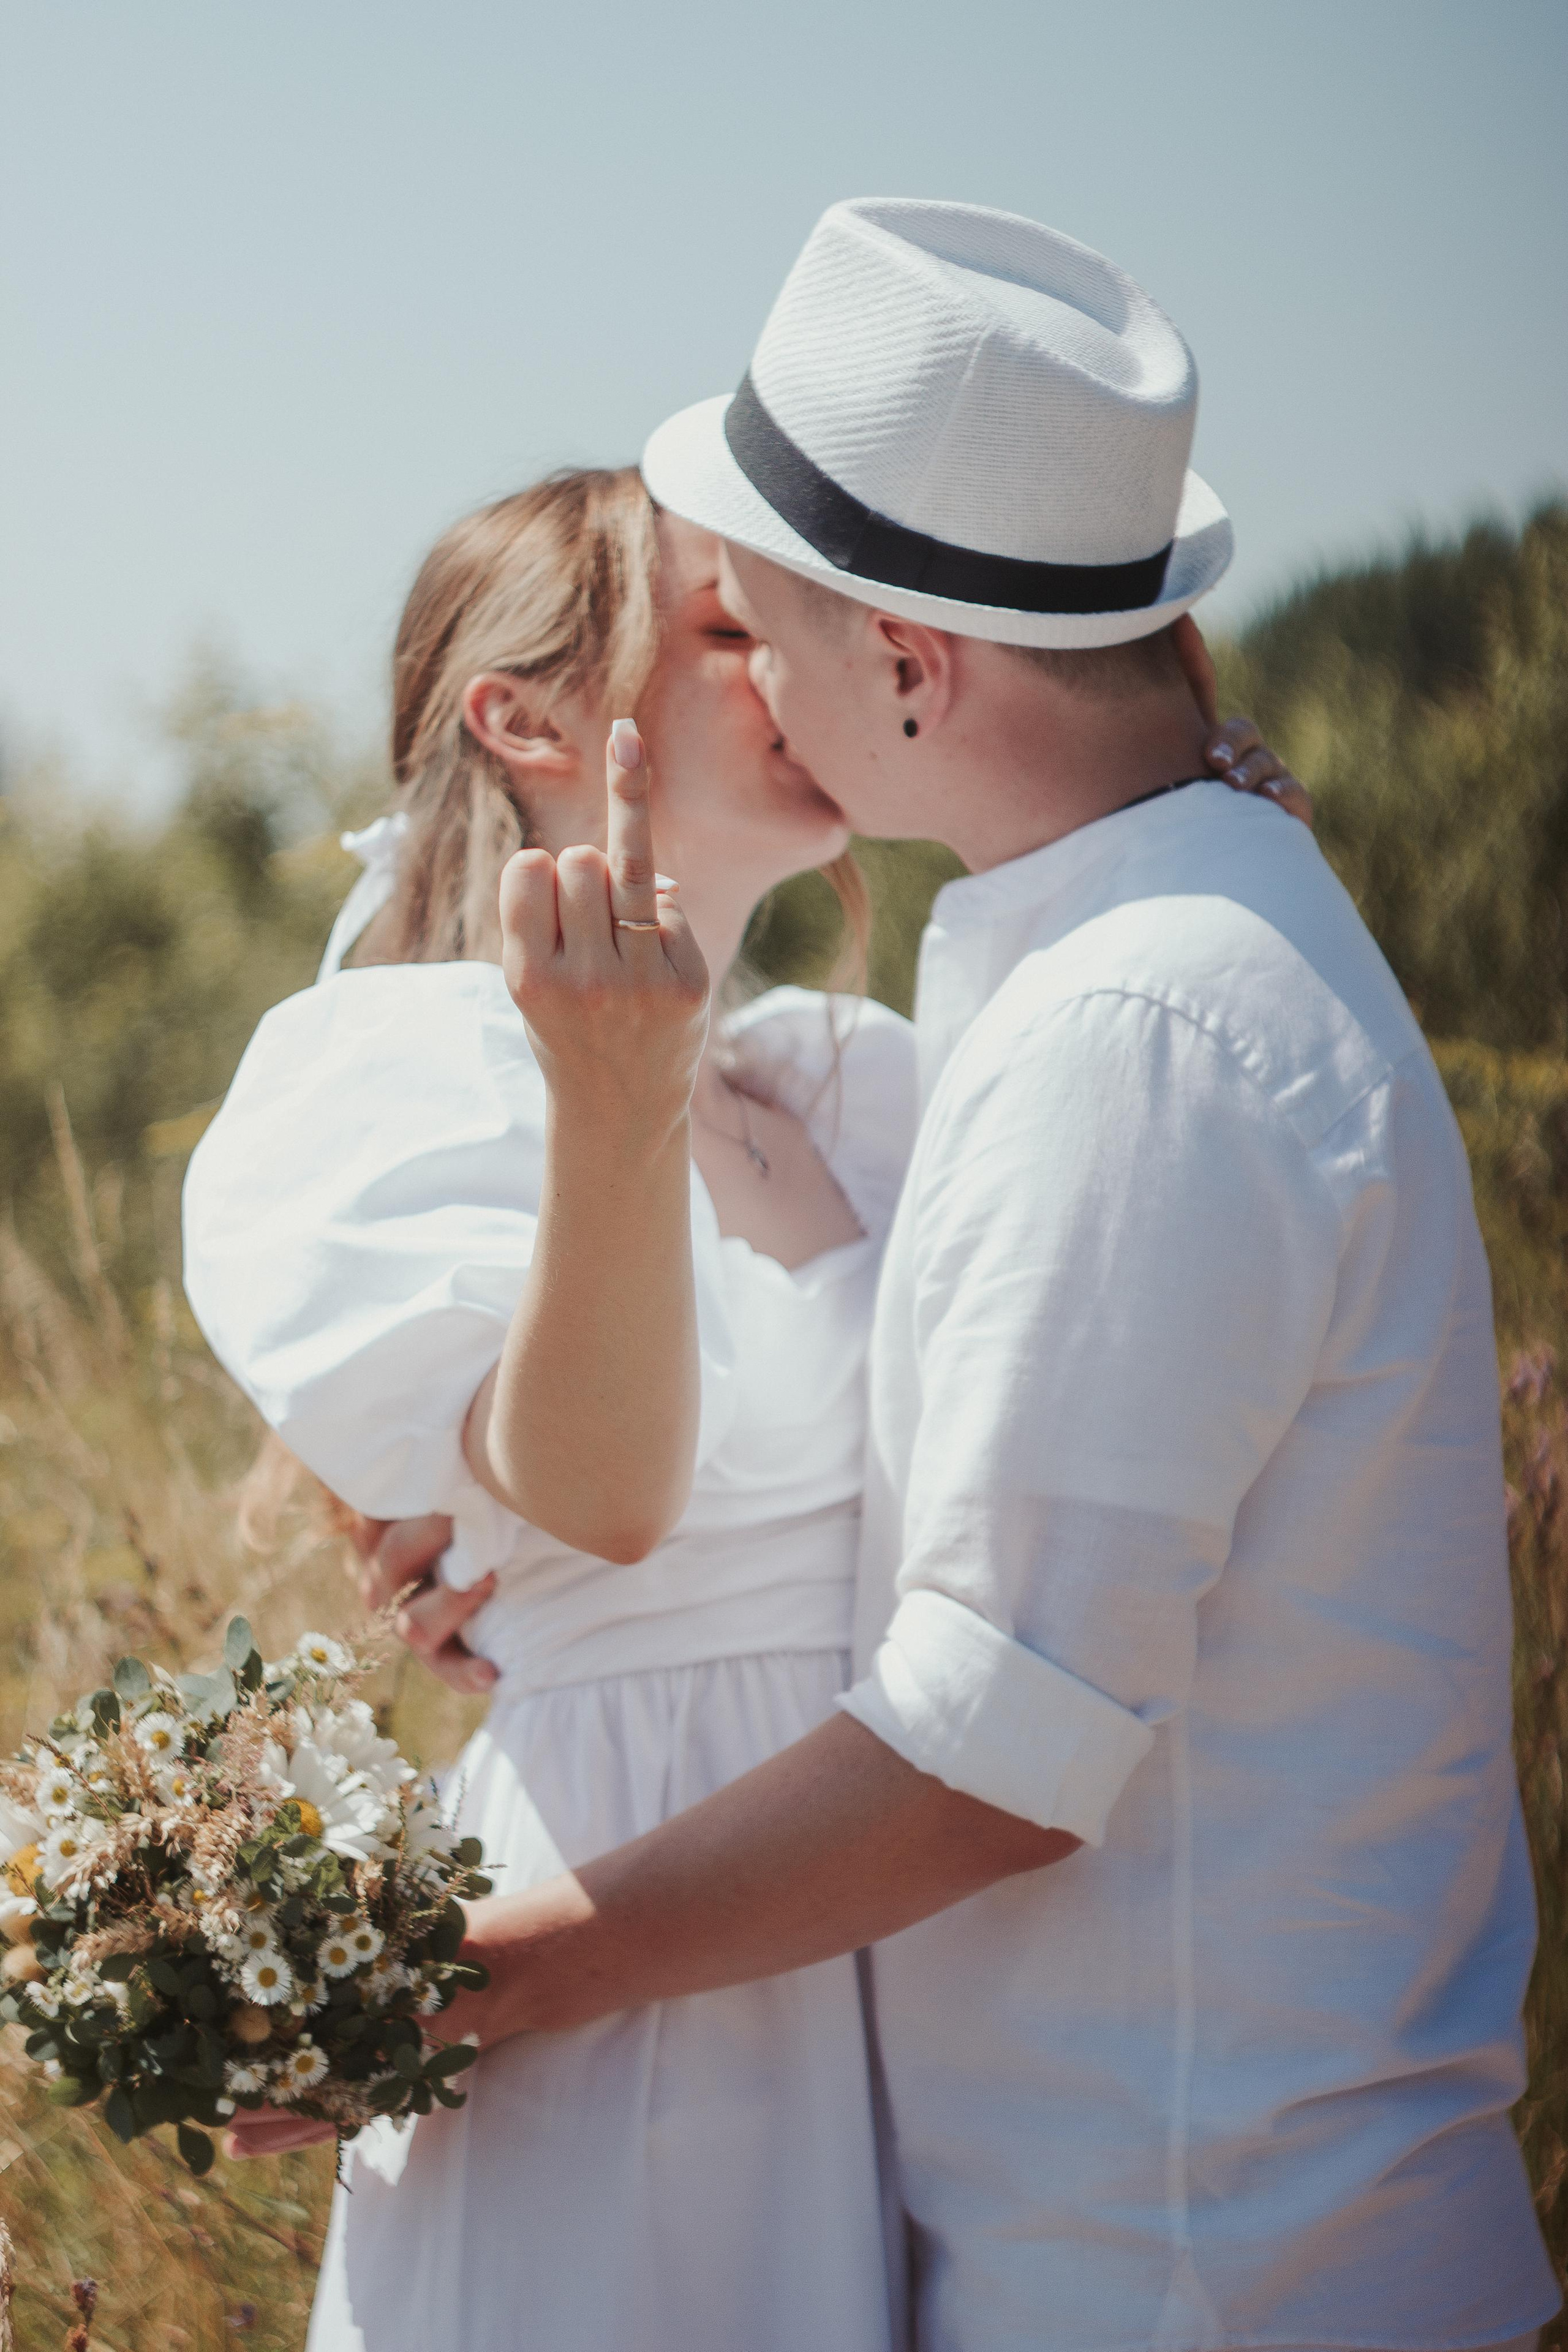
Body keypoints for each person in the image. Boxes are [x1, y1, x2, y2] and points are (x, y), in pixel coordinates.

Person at [295, 202, 1556, 2349]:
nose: (762, 686)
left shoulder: (1130, 1036)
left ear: (908, 663)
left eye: (761, 626)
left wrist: (455, 1987)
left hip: (1192, 2268)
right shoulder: (1120, 966)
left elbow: (990, 1756)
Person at [185, 456, 1302, 2346]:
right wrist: (607, 1104)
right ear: (525, 718)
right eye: (729, 632)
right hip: (608, 1976)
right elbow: (610, 1502)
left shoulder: (840, 1084)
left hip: (892, 1956)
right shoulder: (382, 1086)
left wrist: (1182, 834)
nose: (807, 669)